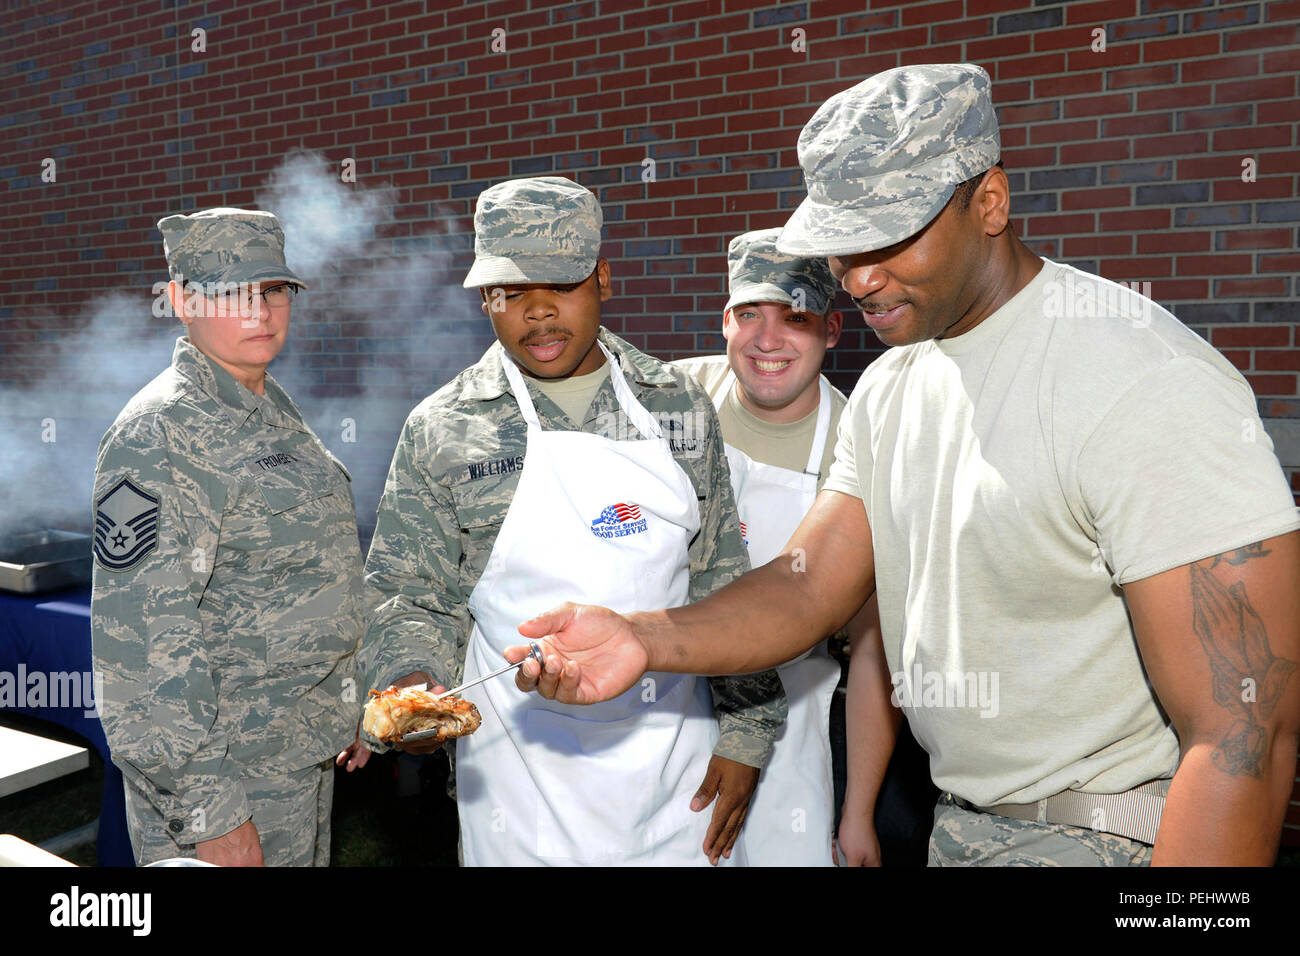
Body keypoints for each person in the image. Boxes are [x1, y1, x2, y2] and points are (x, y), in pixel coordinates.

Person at [507, 64, 1300, 866]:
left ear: (989, 202)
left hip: (1109, 837)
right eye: (843, 245)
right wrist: (642, 637)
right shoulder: (890, 386)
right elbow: (808, 586)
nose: (858, 276)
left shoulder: (1140, 378)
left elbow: (1246, 731)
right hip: (958, 825)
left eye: (891, 238)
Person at [358, 176, 786, 866]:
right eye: (508, 293)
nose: (536, 314)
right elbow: (410, 591)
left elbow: (720, 580)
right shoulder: (446, 427)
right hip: (520, 771)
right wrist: (414, 683)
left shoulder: (675, 406)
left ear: (603, 281)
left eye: (559, 287)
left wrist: (746, 733)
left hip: (673, 761)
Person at [91, 208, 367, 866]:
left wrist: (344, 702)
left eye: (272, 290)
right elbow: (141, 648)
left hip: (296, 761)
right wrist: (206, 810)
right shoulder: (157, 434)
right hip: (226, 783)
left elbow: (304, 577)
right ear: (183, 301)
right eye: (231, 292)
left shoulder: (268, 409)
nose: (261, 310)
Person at [673, 229, 854, 866]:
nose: (768, 340)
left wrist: (858, 812)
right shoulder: (670, 403)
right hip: (661, 701)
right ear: (725, 319)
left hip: (796, 716)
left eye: (795, 318)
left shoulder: (857, 442)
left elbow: (876, 638)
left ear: (832, 329)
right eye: (750, 314)